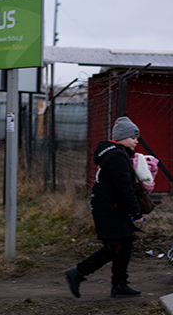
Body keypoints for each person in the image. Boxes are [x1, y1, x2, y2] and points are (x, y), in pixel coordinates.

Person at [64, 116, 145, 298]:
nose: (136, 142)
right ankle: (78, 272)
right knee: (114, 247)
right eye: (133, 137)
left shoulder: (115, 154)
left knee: (125, 244)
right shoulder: (117, 156)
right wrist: (136, 213)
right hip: (109, 209)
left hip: (112, 207)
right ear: (122, 137)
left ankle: (119, 285)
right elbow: (124, 188)